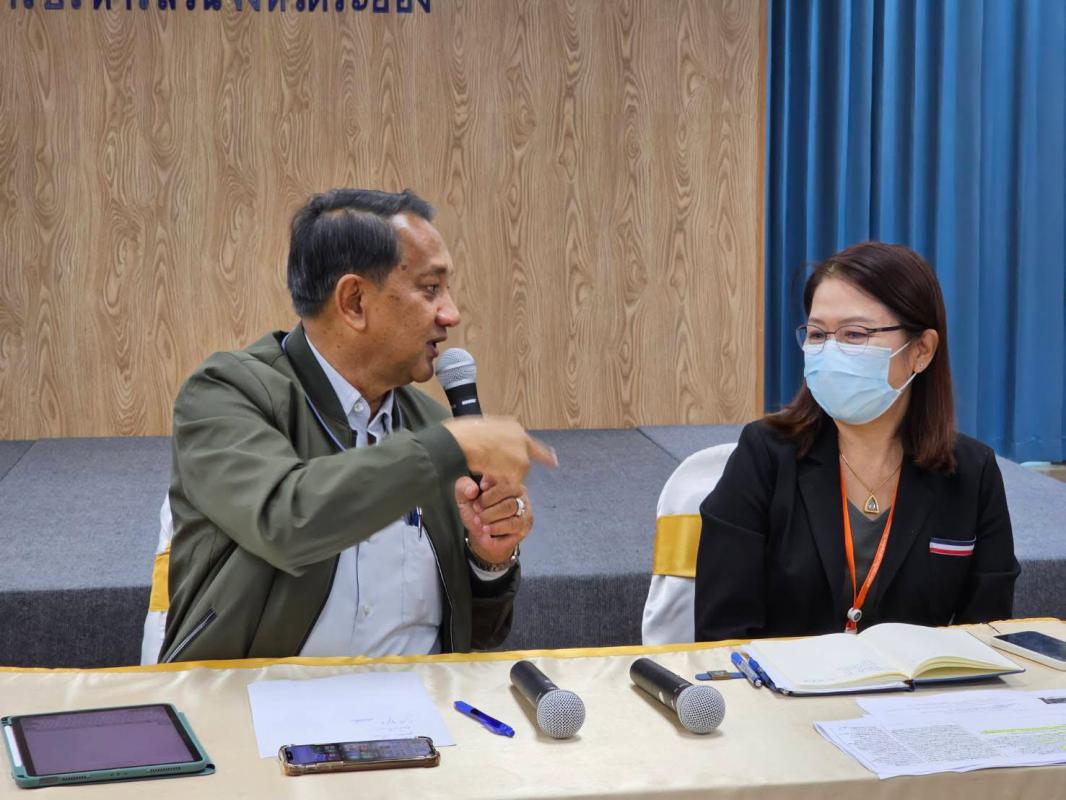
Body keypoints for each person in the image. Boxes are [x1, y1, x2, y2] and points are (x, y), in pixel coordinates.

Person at [158, 188, 556, 663]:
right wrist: (449, 446)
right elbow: (287, 520)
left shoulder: (431, 425)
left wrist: (489, 559)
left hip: (420, 700)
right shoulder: (225, 394)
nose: (451, 314)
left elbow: (476, 637)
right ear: (354, 301)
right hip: (258, 697)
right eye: (431, 289)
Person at [694, 242, 1019, 641]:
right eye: (817, 334)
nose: (831, 351)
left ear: (921, 351)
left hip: (915, 682)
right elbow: (722, 632)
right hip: (781, 681)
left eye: (854, 334)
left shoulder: (972, 472)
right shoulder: (764, 454)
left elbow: (988, 634)